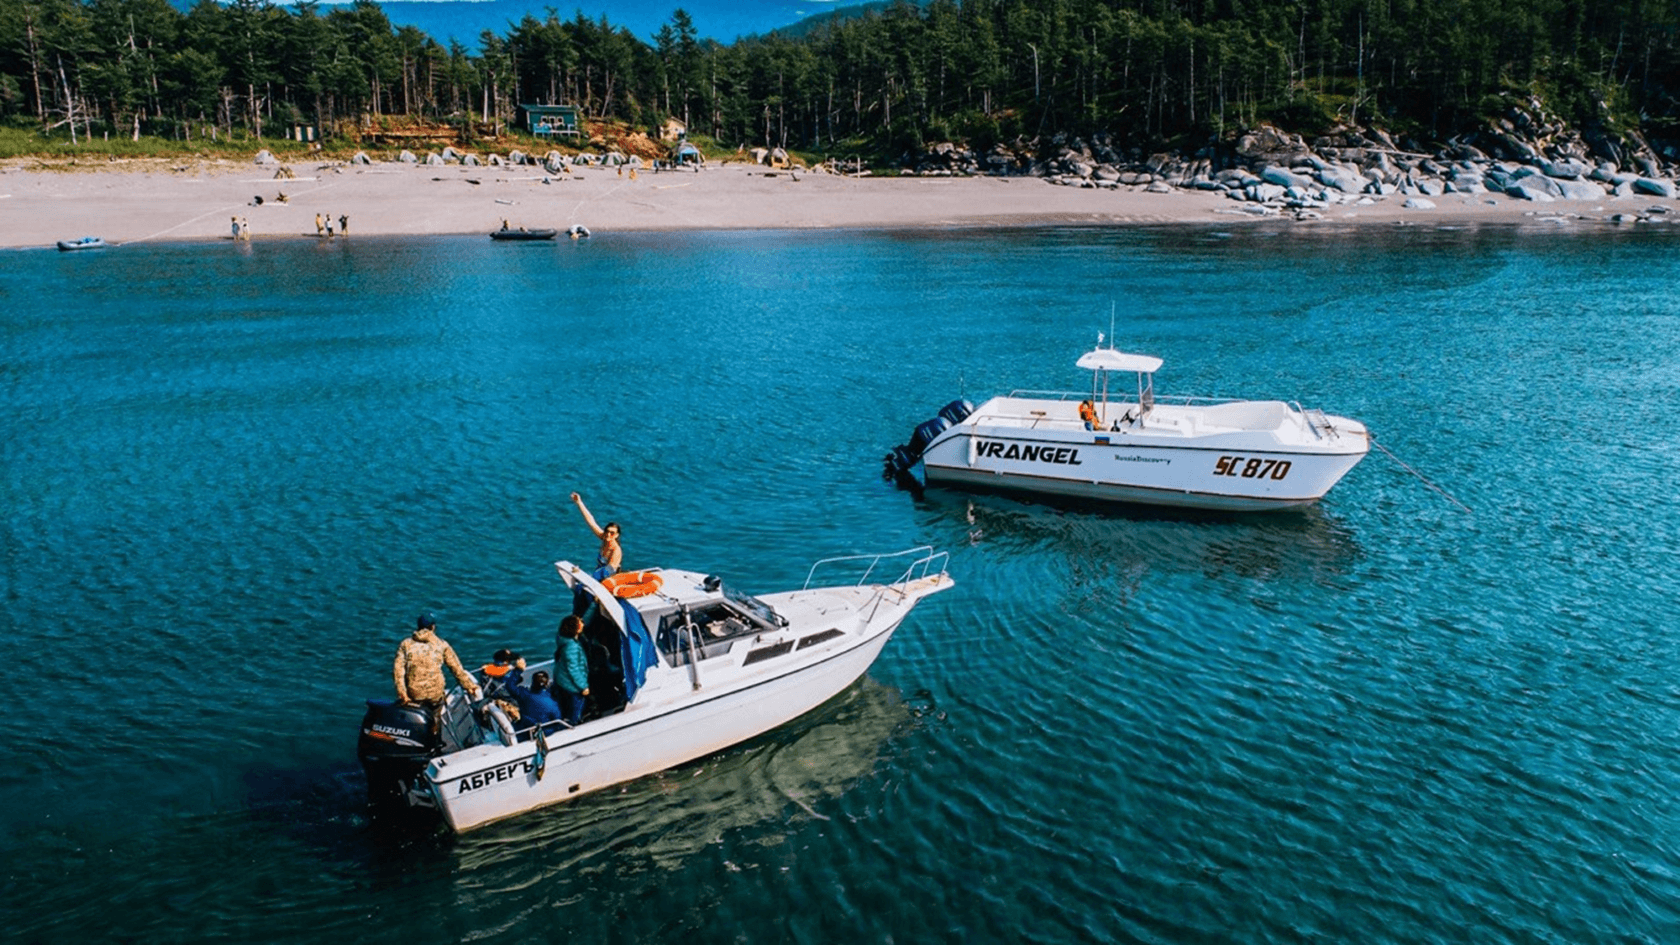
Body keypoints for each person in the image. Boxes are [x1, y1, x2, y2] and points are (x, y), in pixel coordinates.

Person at [394, 614, 481, 729]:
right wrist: (470, 686)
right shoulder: (442, 644)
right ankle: (436, 736)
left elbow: (398, 672)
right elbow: (456, 669)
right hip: (435, 693)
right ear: (433, 627)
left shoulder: (406, 644)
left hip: (415, 694)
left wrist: (403, 695)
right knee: (435, 718)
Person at [570, 492, 621, 578]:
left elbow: (609, 571)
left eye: (612, 533)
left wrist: (590, 578)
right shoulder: (604, 538)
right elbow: (591, 522)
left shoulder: (616, 551)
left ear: (616, 535)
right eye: (607, 531)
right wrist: (579, 502)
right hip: (598, 575)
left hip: (608, 579)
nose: (608, 534)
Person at [552, 615, 591, 726]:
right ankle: (573, 726)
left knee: (564, 707)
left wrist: (593, 606)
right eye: (580, 623)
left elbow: (585, 622)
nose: (583, 624)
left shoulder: (562, 637)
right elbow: (574, 670)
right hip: (572, 686)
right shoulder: (571, 647)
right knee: (575, 712)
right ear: (576, 629)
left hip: (561, 680)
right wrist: (583, 687)